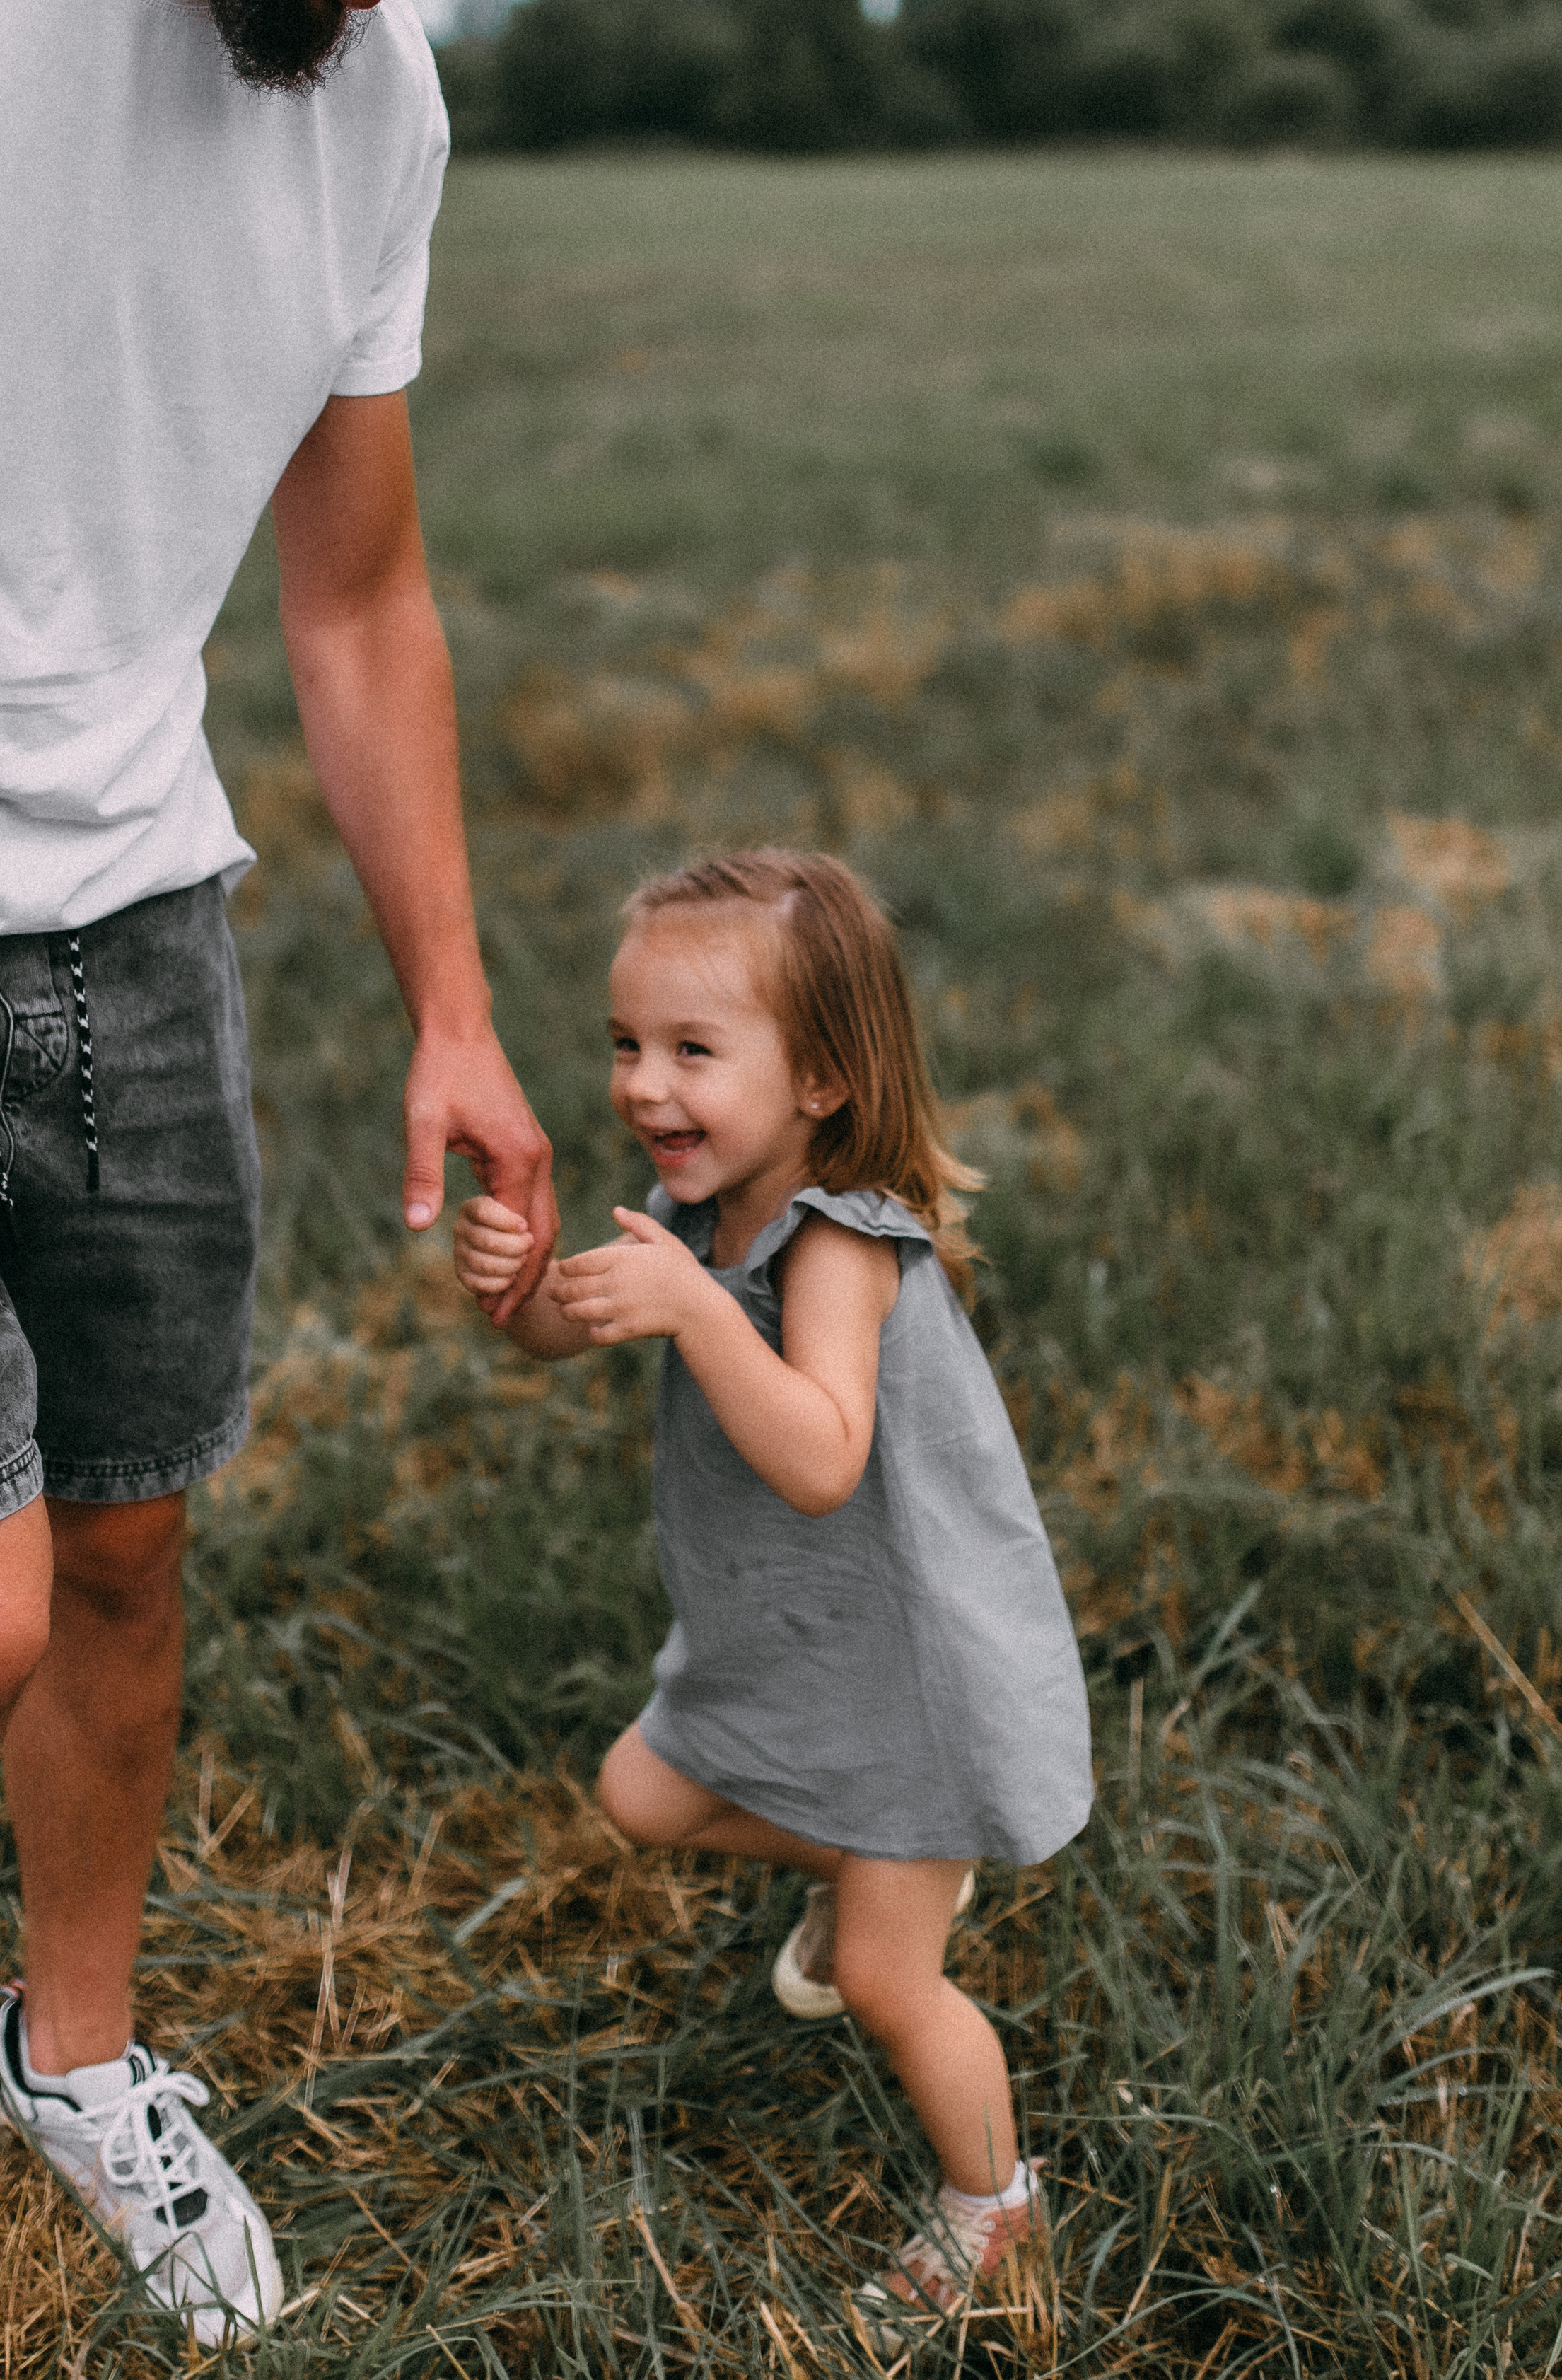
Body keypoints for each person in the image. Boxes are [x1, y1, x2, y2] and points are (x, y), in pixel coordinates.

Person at [0, 0, 668, 2369]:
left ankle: (79, 2060)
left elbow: (356, 585)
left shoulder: (369, 102)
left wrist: (454, 1007)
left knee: (130, 1557)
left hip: (136, 916)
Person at [454, 847, 1095, 2343]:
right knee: (642, 1792)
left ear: (817, 1078)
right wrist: (517, 1282)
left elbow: (819, 1456)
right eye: (625, 1045)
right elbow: (562, 1332)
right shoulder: (708, 1215)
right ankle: (888, 1852)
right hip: (809, 1649)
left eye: (690, 1050)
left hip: (914, 1666)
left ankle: (993, 2213)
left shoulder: (833, 1239)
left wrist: (692, 1312)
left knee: (884, 1982)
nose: (640, 1085)